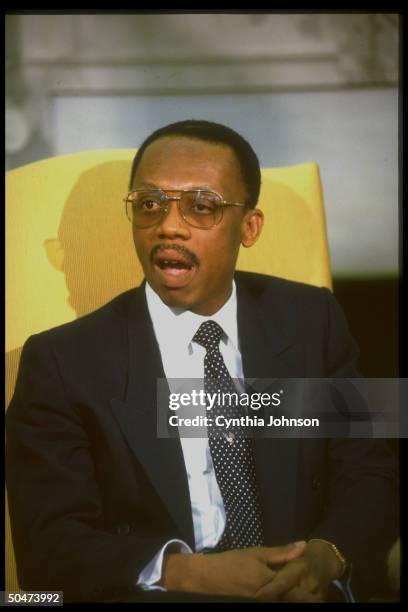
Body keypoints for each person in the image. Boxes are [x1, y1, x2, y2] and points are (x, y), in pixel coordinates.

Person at [6, 120, 399, 603]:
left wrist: (327, 556)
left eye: (201, 206)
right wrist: (186, 574)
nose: (169, 225)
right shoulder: (62, 361)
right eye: (149, 205)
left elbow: (371, 468)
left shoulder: (310, 318)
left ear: (249, 227)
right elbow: (46, 549)